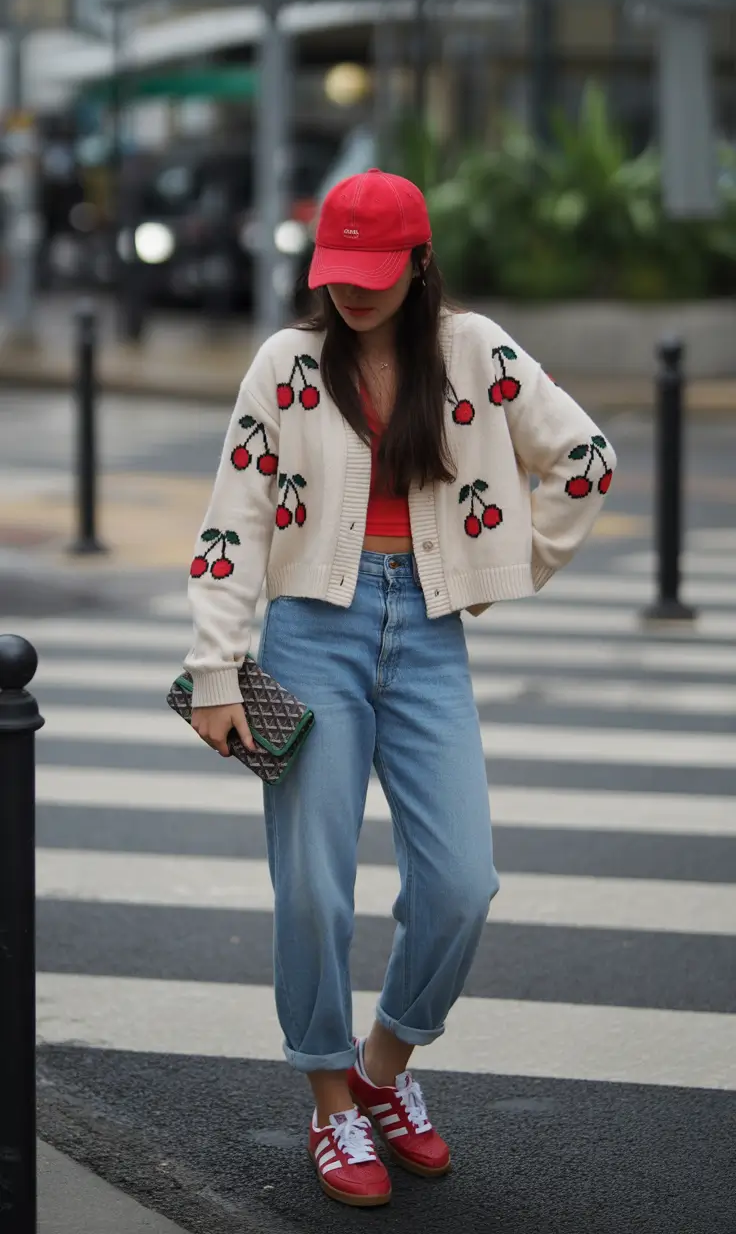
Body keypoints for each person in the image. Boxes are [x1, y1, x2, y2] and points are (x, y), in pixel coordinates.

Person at [184, 168, 617, 1208]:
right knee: (313, 889)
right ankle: (331, 1101)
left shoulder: (473, 352)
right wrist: (214, 668)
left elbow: (586, 459)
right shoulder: (286, 364)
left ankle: (383, 1068)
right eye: (339, 269)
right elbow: (233, 521)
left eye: (377, 271)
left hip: (426, 636)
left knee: (462, 883)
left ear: (420, 263)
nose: (354, 289)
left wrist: (501, 567)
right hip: (308, 636)